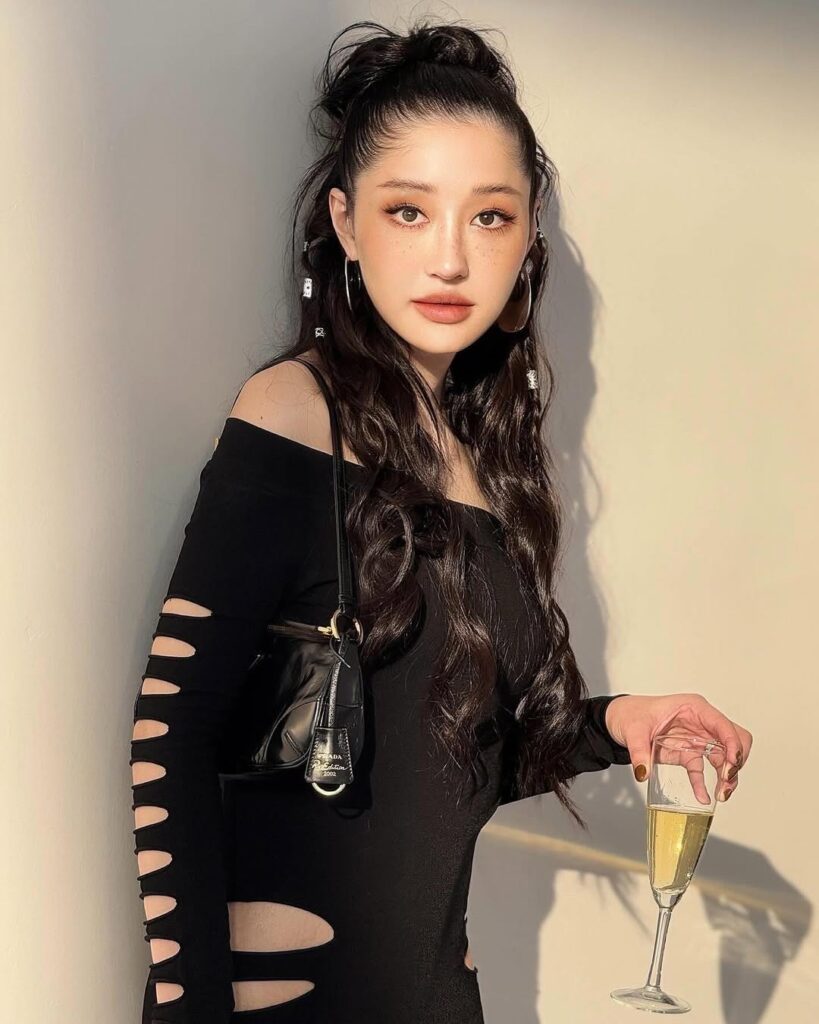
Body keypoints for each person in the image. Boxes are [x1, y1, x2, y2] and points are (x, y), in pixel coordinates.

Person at [129, 18, 752, 1024]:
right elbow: (171, 731)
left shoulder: (486, 465)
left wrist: (615, 724)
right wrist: (188, 1007)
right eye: (409, 211)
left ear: (526, 238)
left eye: (490, 217)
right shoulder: (296, 409)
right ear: (346, 222)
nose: (451, 257)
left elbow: (460, 761)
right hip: (291, 1001)